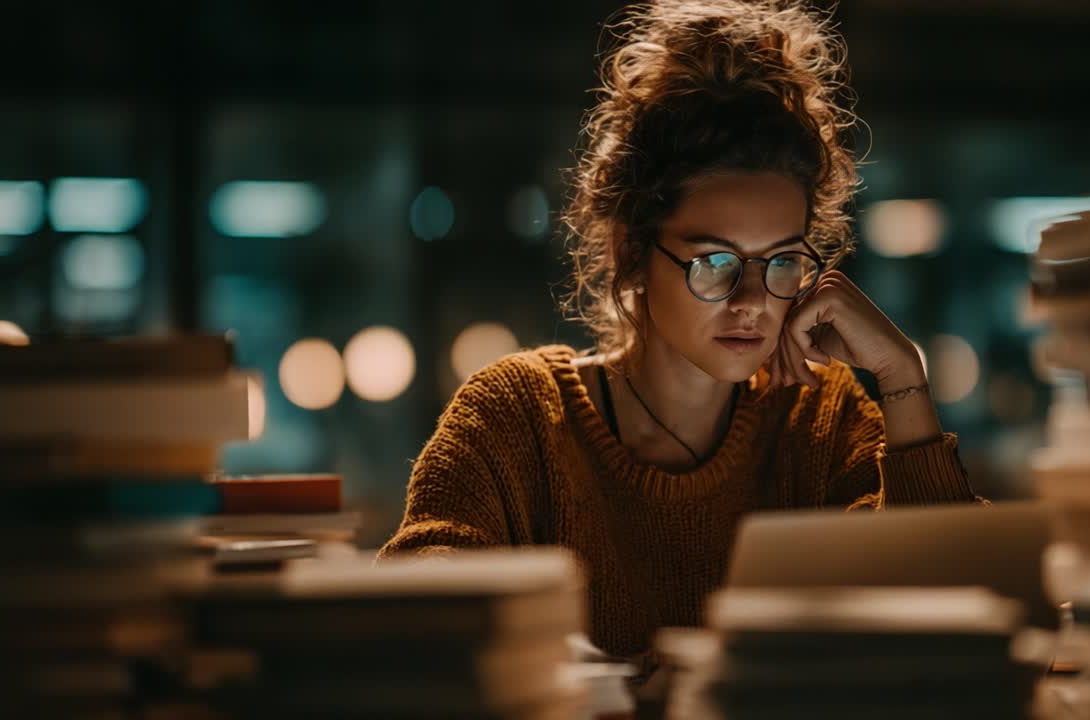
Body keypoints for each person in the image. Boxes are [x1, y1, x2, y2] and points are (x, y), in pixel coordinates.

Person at [379, 0, 979, 663]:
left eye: (781, 261)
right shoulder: (517, 420)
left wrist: (901, 376)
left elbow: (964, 626)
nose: (753, 300)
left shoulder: (819, 420)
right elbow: (412, 626)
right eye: (714, 262)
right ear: (631, 251)